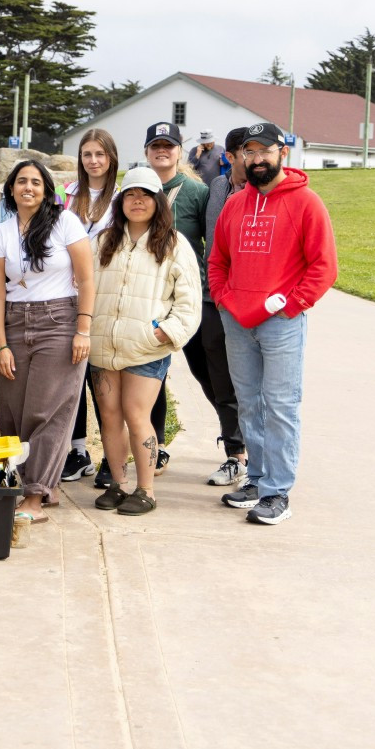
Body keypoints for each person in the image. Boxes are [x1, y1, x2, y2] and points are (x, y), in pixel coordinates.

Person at [208, 121, 337, 525]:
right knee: (249, 403)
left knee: (280, 405)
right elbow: (218, 261)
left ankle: (278, 491)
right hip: (237, 321)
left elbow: (324, 266)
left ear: (283, 153)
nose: (257, 158)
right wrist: (226, 302)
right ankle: (258, 479)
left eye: (265, 150)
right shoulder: (234, 204)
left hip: (281, 323)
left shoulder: (306, 203)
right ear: (241, 157)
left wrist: (293, 305)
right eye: (250, 151)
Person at [86, 167, 201, 516]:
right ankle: (118, 485)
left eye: (146, 195)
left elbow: (189, 302)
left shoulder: (174, 244)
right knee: (109, 417)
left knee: (138, 415)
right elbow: (82, 287)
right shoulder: (102, 241)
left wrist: (165, 332)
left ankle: (145, 489)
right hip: (104, 346)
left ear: (158, 202)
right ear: (122, 201)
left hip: (145, 347)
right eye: (132, 194)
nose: (138, 201)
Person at [0, 159, 95, 523]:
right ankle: (43, 485)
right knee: (14, 412)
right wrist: (0, 345)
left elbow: (87, 279)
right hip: (15, 324)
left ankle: (35, 495)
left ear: (47, 189)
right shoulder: (1, 233)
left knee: (46, 410)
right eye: (21, 182)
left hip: (59, 321)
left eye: (35, 182)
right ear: (11, 189)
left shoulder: (66, 223)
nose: (27, 187)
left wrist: (83, 328)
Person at [138, 121, 212, 481]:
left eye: (169, 145)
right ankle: (156, 446)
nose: (162, 151)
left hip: (189, 297)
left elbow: (211, 243)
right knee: (152, 377)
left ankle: (238, 446)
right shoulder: (138, 190)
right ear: (147, 151)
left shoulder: (196, 192)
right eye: (155, 146)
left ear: (180, 151)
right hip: (150, 298)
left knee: (208, 373)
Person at [61, 128, 119, 482]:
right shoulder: (68, 194)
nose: (93, 161)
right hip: (69, 294)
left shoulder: (122, 196)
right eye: (87, 155)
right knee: (73, 375)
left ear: (111, 157)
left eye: (99, 154)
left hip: (108, 293)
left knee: (105, 376)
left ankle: (113, 457)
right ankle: (78, 450)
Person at [200, 127, 251, 487]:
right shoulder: (217, 188)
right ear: (228, 157)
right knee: (219, 377)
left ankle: (254, 458)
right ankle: (236, 453)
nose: (253, 160)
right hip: (214, 296)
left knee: (251, 382)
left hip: (251, 301)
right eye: (245, 153)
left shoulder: (268, 193)